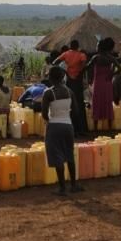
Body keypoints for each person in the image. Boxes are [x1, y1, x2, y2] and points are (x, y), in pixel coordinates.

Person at [41, 66, 81, 195]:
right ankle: (74, 185)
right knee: (69, 155)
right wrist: (67, 119)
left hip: (54, 125)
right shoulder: (69, 91)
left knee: (57, 156)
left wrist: (50, 121)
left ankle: (62, 188)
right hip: (68, 125)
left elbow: (44, 114)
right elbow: (75, 111)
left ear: (51, 78)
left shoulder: (48, 93)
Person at [57, 40, 90, 136]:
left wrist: (66, 71)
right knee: (80, 104)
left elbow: (55, 62)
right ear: (78, 46)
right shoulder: (81, 55)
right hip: (78, 82)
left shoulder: (66, 54)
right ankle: (82, 129)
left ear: (70, 46)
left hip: (69, 82)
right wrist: (79, 71)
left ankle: (71, 129)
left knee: (70, 104)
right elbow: (85, 64)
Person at [87, 37, 116, 130]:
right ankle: (109, 126)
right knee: (108, 102)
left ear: (100, 47)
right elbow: (119, 68)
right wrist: (111, 74)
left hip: (98, 83)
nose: (96, 47)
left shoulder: (96, 57)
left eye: (97, 45)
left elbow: (87, 67)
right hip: (107, 83)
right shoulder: (110, 57)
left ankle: (95, 127)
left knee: (97, 102)